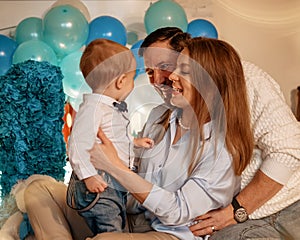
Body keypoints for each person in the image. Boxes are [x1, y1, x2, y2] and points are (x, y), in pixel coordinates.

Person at [139, 27, 300, 240]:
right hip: (235, 219)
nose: (158, 80)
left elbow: (288, 151)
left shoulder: (246, 80)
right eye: (150, 72)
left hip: (285, 205)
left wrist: (237, 210)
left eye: (166, 67)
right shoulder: (174, 112)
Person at [86, 36, 254, 240]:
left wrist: (113, 166)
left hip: (174, 233)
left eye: (183, 71)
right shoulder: (159, 116)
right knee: (40, 189)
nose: (171, 76)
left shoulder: (222, 149)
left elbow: (177, 212)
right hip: (138, 220)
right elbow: (136, 184)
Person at [67, 38, 154, 235]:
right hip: (100, 183)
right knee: (111, 230)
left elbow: (113, 140)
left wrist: (134, 143)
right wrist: (89, 176)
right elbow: (77, 145)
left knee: (116, 224)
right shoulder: (93, 108)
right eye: (132, 79)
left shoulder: (108, 108)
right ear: (121, 81)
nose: (133, 84)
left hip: (113, 183)